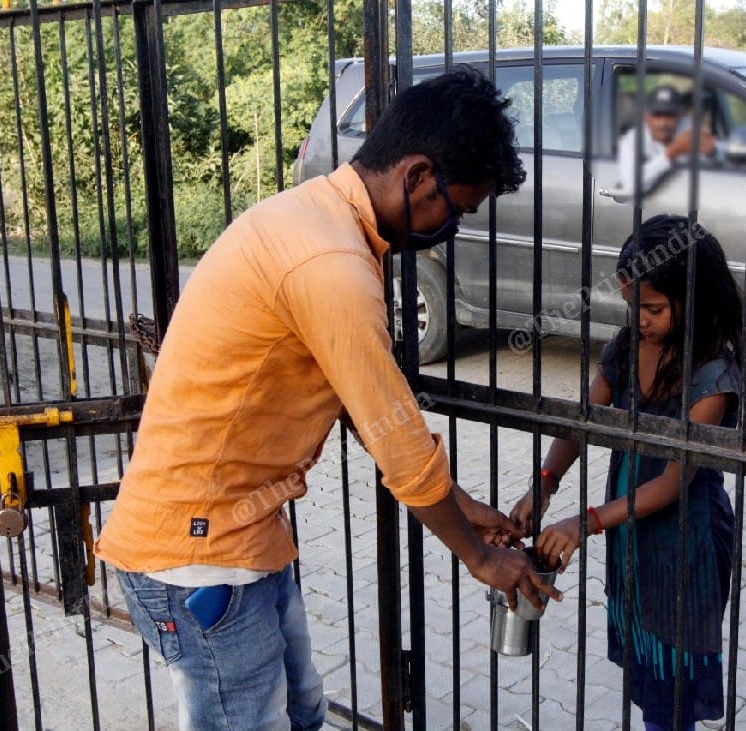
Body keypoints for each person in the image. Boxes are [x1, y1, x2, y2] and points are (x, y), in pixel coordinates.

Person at [95, 67, 560, 730]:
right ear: (418, 175)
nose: (450, 227)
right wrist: (482, 556)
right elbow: (400, 449)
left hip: (244, 540)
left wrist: (465, 507)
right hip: (196, 555)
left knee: (305, 712)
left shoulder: (318, 219)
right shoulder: (331, 264)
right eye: (454, 208)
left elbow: (367, 414)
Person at [510, 214, 744, 731]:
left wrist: (584, 523)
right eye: (633, 304)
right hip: (630, 537)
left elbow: (671, 482)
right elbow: (583, 423)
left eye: (654, 308)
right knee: (646, 669)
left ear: (693, 299)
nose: (640, 318)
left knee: (673, 685)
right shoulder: (626, 348)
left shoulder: (713, 375)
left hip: (687, 545)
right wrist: (543, 485)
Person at [616, 84, 717, 197]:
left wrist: (711, 152)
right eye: (657, 115)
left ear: (679, 116)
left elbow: (713, 162)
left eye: (669, 115)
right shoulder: (632, 140)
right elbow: (630, 186)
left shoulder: (689, 129)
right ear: (647, 117)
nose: (663, 123)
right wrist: (671, 153)